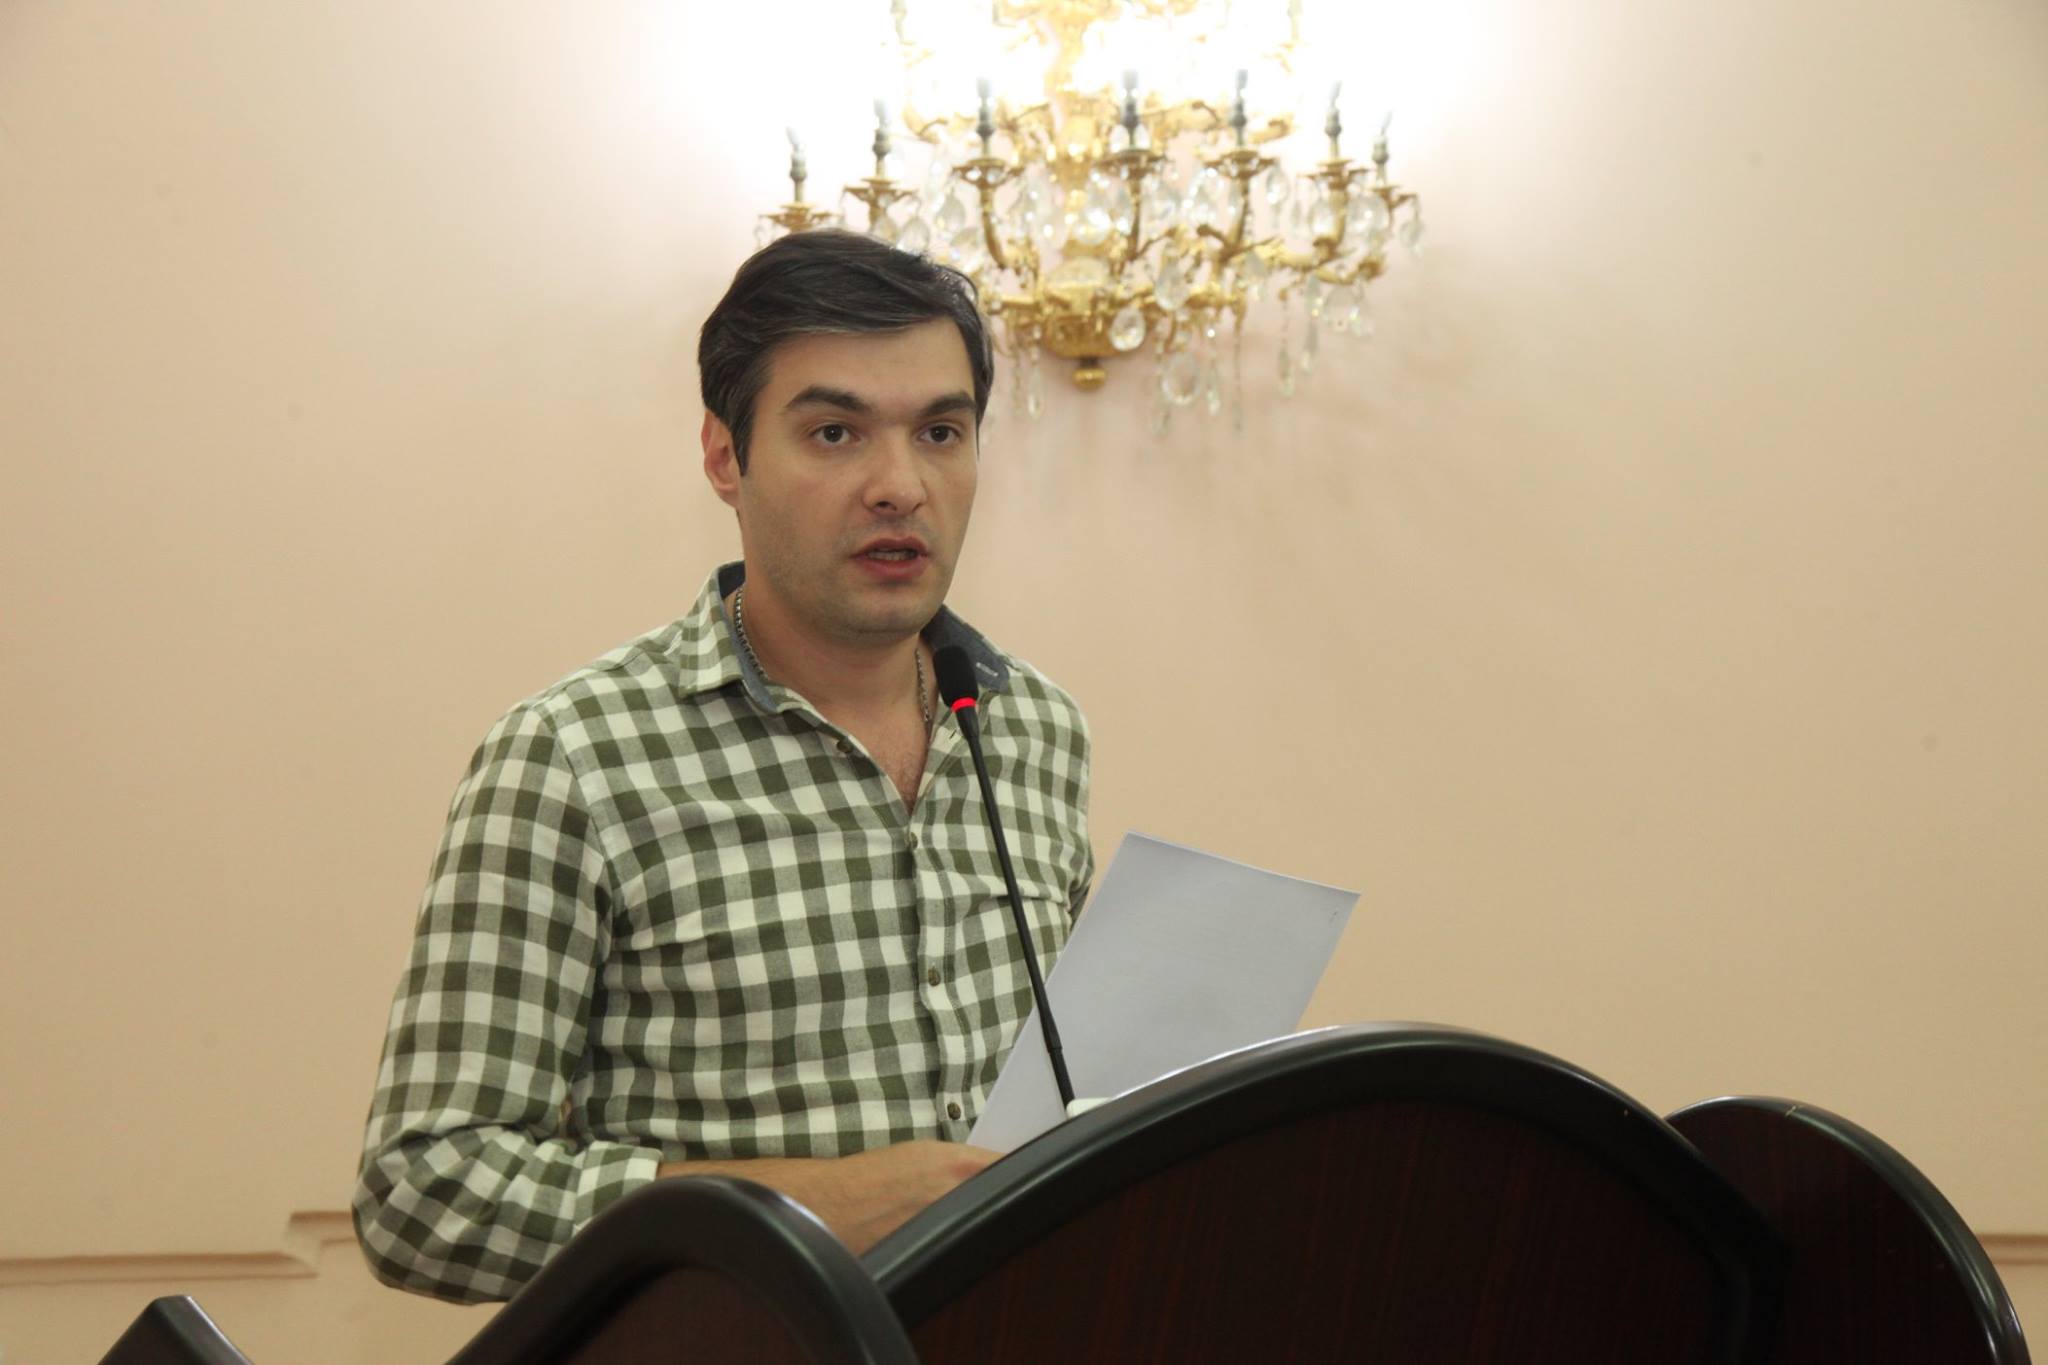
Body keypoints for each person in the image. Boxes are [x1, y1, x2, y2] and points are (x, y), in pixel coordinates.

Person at [352, 230, 1093, 1304]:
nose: (900, 485)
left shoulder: (1036, 728)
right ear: (724, 457)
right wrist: (793, 1211)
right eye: (834, 432)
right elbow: (422, 1190)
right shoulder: (574, 756)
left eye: (941, 431)